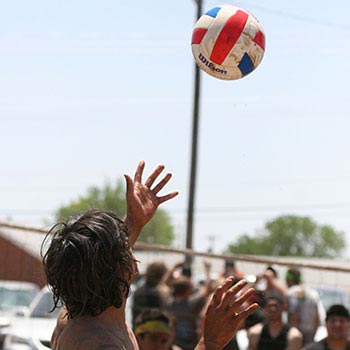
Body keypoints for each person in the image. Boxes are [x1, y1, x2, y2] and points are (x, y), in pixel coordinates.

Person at [44, 161, 259, 350]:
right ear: (115, 268)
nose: (130, 247)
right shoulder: (102, 344)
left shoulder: (77, 315)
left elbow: (95, 263)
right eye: (122, 246)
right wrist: (209, 343)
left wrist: (134, 222)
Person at [165, 260, 212, 350]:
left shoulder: (169, 302)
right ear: (187, 290)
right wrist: (207, 270)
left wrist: (174, 267)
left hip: (174, 340)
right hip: (190, 342)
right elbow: (206, 289)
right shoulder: (191, 302)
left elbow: (164, 284)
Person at [285, 268, 324, 346]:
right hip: (311, 332)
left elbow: (292, 315)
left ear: (289, 280)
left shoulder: (291, 293)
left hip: (296, 334)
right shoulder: (313, 293)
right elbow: (317, 317)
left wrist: (294, 334)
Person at [132, 261, 168, 326]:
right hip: (155, 328)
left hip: (138, 327)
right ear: (162, 275)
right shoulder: (161, 291)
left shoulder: (138, 289)